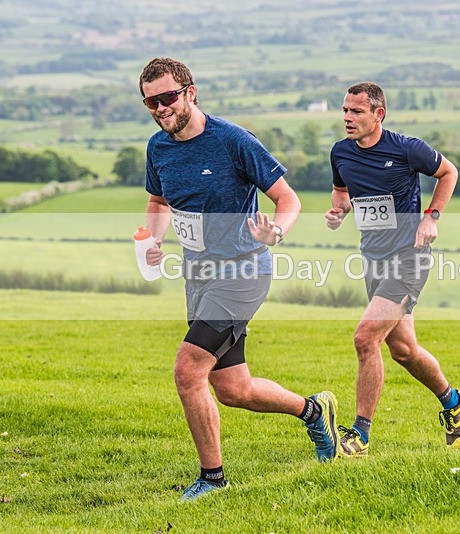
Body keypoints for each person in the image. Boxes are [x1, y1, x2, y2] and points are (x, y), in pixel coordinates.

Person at [138, 57, 338, 501]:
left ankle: (213, 479)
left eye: (167, 97)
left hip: (243, 271)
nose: (160, 108)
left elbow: (288, 198)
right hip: (199, 276)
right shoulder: (158, 147)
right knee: (233, 388)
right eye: (150, 101)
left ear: (190, 91)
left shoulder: (233, 141)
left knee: (188, 369)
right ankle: (313, 411)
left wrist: (278, 230)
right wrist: (153, 240)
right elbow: (158, 203)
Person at [325, 81, 460, 458]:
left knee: (365, 339)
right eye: (345, 110)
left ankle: (360, 435)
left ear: (378, 114)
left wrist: (431, 217)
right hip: (373, 260)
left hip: (409, 258)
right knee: (404, 350)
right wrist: (338, 210)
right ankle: (454, 401)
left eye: (356, 111)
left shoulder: (407, 148)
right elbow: (341, 191)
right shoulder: (340, 153)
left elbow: (449, 172)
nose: (347, 118)